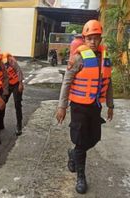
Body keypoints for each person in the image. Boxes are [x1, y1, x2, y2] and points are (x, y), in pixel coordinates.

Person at [56, 20, 114, 194]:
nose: (93, 42)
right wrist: (62, 106)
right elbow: (66, 82)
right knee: (81, 141)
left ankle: (73, 154)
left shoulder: (105, 58)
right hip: (79, 107)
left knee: (94, 138)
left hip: (95, 106)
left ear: (100, 39)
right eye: (90, 38)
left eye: (96, 38)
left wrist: (110, 105)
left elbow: (108, 82)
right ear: (84, 39)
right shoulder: (78, 57)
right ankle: (81, 176)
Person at [1, 52, 24, 136]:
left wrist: (20, 84)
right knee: (3, 102)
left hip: (16, 83)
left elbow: (18, 70)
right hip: (8, 84)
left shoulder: (10, 60)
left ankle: (19, 125)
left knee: (17, 104)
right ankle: (0, 123)